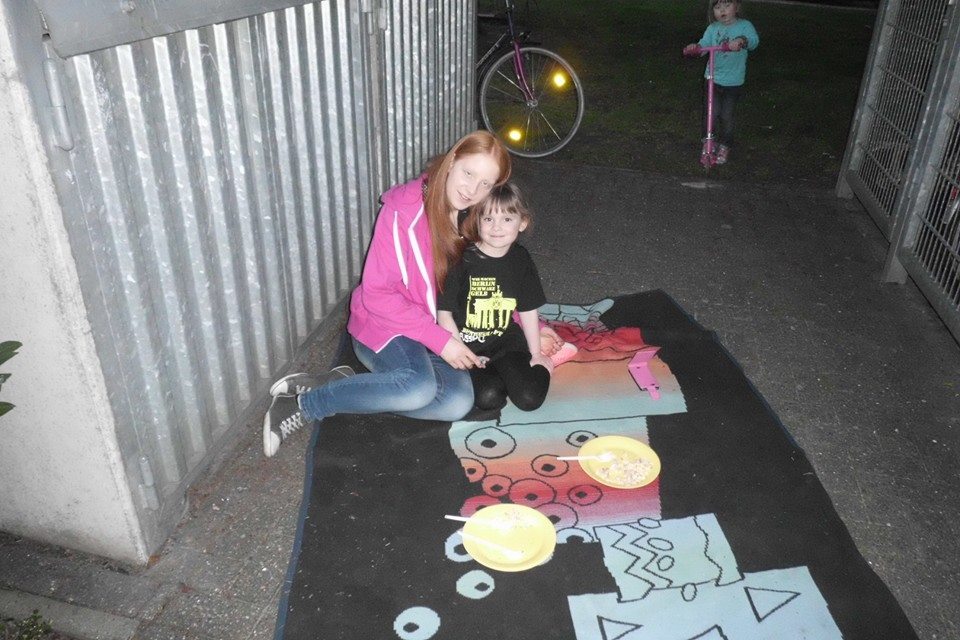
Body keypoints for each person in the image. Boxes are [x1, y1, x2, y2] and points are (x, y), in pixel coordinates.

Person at [261, 131, 565, 457]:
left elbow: (500, 280)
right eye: (468, 173)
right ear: (451, 162)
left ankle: (342, 386)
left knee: (457, 402)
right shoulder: (403, 210)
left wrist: (536, 326)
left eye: (486, 184)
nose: (472, 190)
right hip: (386, 325)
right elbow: (377, 293)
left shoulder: (476, 218)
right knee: (417, 388)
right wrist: (440, 339)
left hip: (437, 334)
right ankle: (305, 404)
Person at [438, 183, 552, 412]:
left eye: (507, 219)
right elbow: (444, 314)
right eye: (488, 219)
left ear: (522, 223)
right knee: (489, 399)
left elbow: (528, 309)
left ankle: (540, 369)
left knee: (529, 399)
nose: (497, 227)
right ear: (477, 220)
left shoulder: (520, 258)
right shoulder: (461, 259)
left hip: (505, 342)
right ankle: (500, 377)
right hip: (466, 345)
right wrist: (465, 355)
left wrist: (537, 355)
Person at [683, 0, 759, 165]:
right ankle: (708, 142)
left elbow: (753, 41)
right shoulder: (713, 28)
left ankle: (725, 144)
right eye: (718, 7)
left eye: (727, 5)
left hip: (733, 81)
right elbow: (704, 45)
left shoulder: (745, 26)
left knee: (726, 115)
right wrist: (696, 48)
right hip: (712, 79)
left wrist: (741, 41)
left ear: (737, 7)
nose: (722, 10)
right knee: (710, 113)